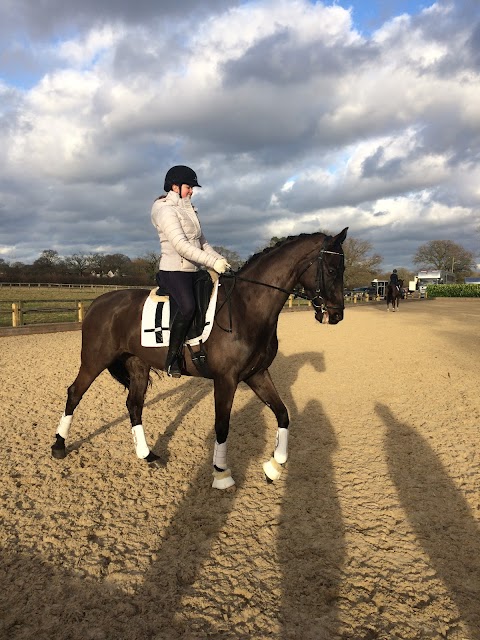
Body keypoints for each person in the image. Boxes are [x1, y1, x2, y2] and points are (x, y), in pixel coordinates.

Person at [151, 165, 230, 377]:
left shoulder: (190, 209)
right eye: (189, 186)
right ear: (175, 186)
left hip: (194, 270)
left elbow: (202, 243)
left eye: (192, 187)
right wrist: (211, 263)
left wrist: (219, 259)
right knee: (187, 307)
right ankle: (172, 357)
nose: (192, 191)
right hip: (174, 271)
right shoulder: (164, 209)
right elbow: (181, 245)